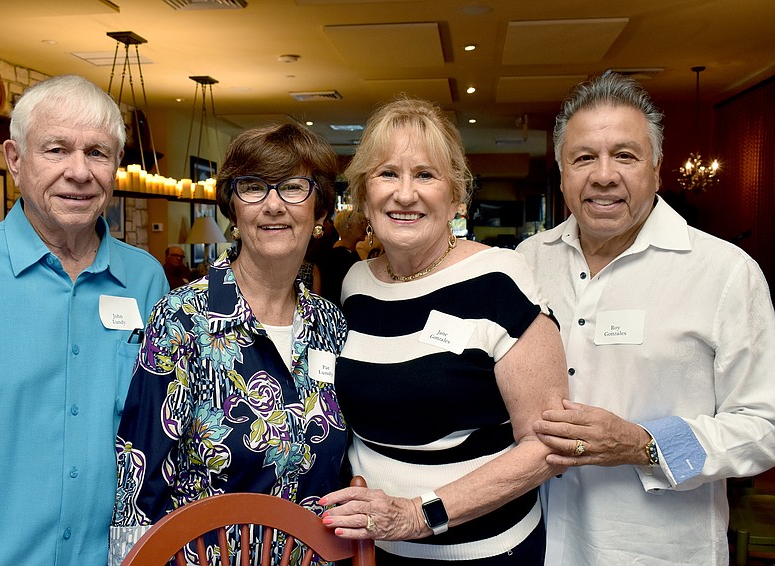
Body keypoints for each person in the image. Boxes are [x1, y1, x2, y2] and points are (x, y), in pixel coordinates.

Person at [516, 73, 775, 565]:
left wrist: (644, 444)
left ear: (657, 167)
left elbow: (764, 426)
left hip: (658, 549)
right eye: (584, 157)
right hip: (538, 543)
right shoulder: (527, 263)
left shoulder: (723, 273)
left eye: (625, 155)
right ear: (562, 170)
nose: (604, 175)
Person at [0, 74, 168, 565]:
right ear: (15, 160)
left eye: (98, 153)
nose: (79, 172)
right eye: (55, 150)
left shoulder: (146, 281)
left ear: (116, 166)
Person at [319, 97, 569, 565]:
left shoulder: (500, 278)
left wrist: (420, 514)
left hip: (485, 551)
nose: (405, 193)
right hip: (374, 549)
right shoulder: (356, 283)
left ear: (456, 196)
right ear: (363, 194)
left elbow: (545, 446)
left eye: (426, 175)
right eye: (387, 173)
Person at [109, 123, 348, 564]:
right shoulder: (182, 320)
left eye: (294, 187)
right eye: (253, 187)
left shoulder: (329, 324)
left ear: (319, 211)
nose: (273, 205)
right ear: (232, 209)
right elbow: (138, 477)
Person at [318, 208, 366, 305]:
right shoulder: (340, 258)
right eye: (360, 223)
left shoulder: (345, 253)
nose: (364, 226)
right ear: (349, 227)